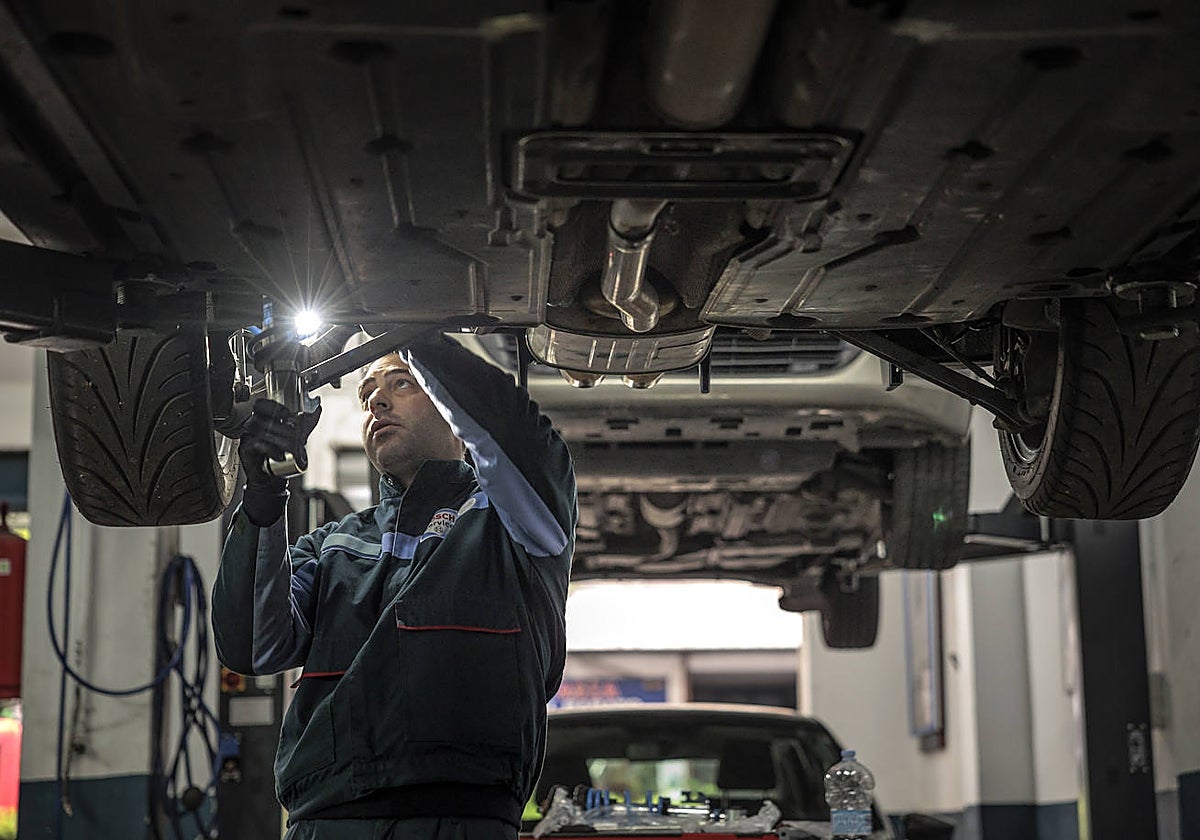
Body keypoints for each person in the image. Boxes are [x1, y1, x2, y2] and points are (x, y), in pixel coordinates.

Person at [211, 331, 577, 840]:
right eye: (365, 394)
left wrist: (408, 328)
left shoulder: (511, 529)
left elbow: (520, 436)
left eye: (400, 383)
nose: (376, 400)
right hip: (325, 822)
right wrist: (264, 494)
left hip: (460, 821)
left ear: (450, 404)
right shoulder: (334, 544)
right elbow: (251, 644)